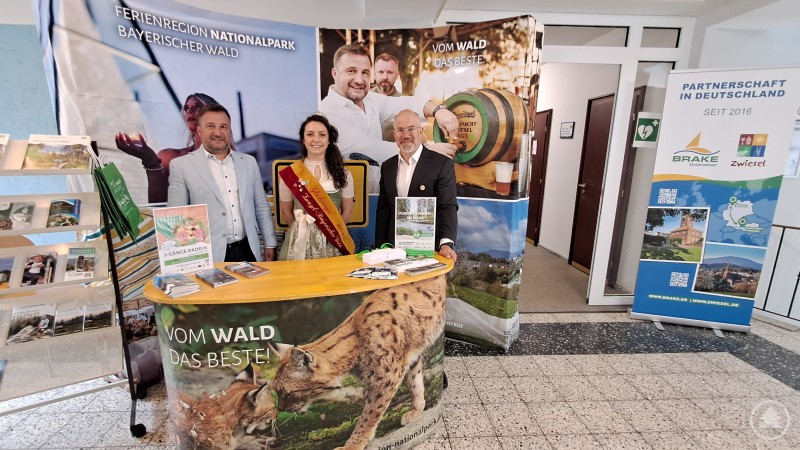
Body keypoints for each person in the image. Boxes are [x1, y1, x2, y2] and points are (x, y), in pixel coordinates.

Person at [319, 44, 459, 192]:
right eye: (351, 71)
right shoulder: (327, 112)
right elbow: (369, 149)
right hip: (348, 205)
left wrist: (438, 110)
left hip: (377, 196)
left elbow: (406, 103)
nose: (359, 80)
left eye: (365, 73)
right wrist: (427, 153)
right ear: (335, 73)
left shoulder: (369, 99)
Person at [167, 103, 277, 263]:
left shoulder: (249, 162)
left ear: (229, 131)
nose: (218, 132)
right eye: (211, 126)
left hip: (248, 250)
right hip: (208, 255)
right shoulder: (181, 166)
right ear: (199, 131)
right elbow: (176, 217)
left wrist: (270, 243)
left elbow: (261, 207)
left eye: (223, 127)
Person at [376, 110, 458, 263]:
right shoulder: (387, 166)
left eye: (411, 129)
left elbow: (447, 206)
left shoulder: (441, 164)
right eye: (400, 130)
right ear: (394, 135)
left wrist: (446, 243)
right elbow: (384, 211)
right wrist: (380, 248)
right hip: (393, 251)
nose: (405, 134)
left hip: (429, 250)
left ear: (421, 131)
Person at [116, 93, 219, 203]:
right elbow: (158, 207)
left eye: (197, 106)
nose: (190, 111)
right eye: (187, 108)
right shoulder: (169, 158)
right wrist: (151, 161)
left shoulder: (231, 161)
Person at [277, 114, 355, 261]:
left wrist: (332, 231)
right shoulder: (291, 173)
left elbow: (347, 211)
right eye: (310, 134)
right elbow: (287, 213)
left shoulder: (343, 174)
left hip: (332, 240)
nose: (316, 139)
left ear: (329, 139)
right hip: (299, 239)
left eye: (322, 134)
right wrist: (303, 231)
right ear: (303, 139)